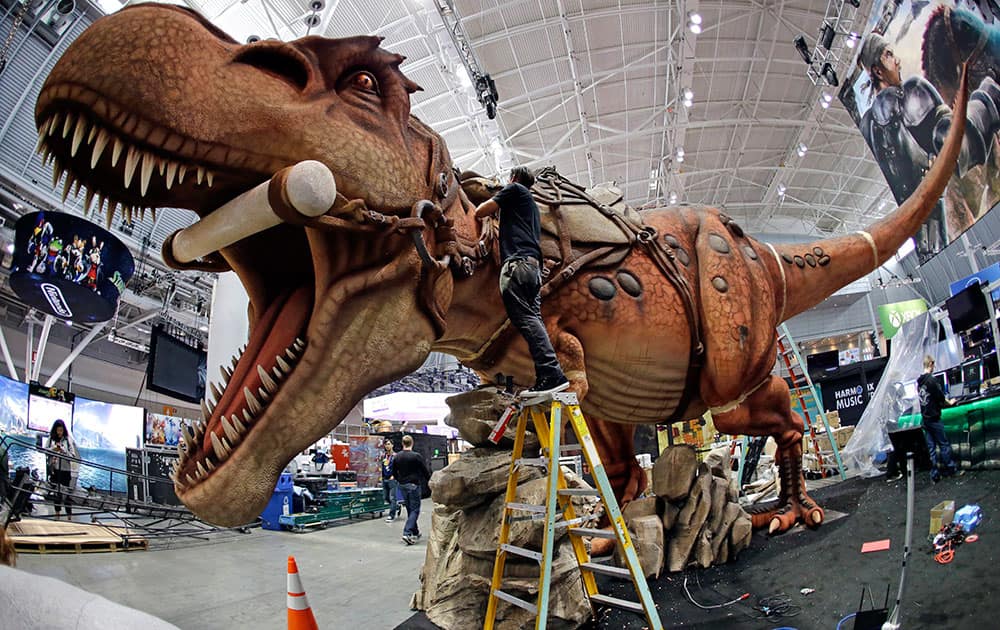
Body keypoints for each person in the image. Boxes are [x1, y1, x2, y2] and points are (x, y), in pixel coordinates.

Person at [856, 28, 1000, 260]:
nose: (898, 61)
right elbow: (958, 143)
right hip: (939, 225)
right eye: (889, 55)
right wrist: (989, 95)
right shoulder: (909, 95)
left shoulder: (867, 124)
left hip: (924, 244)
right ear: (877, 70)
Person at [475, 166, 569, 396]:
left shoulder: (514, 189)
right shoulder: (531, 207)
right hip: (532, 268)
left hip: (518, 265)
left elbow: (481, 211)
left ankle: (552, 374)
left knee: (526, 318)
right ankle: (547, 376)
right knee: (533, 319)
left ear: (514, 178)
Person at [917, 356, 964, 482]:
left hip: (925, 419)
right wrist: (951, 402)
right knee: (944, 445)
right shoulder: (931, 381)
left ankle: (934, 475)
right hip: (934, 417)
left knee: (931, 449)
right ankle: (951, 469)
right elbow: (941, 399)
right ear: (931, 364)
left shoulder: (919, 382)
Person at [394, 435, 430, 545]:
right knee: (415, 510)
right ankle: (407, 532)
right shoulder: (416, 456)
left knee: (410, 509)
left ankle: (415, 531)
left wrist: (399, 480)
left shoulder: (397, 456)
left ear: (402, 443)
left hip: (403, 485)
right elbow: (424, 471)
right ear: (412, 443)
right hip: (414, 485)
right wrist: (430, 481)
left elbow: (394, 472)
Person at [45, 419, 79, 520]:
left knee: (66, 494)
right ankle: (57, 514)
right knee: (57, 493)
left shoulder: (68, 440)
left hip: (65, 470)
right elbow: (45, 450)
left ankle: (69, 516)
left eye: (61, 430)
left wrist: (63, 451)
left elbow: (72, 456)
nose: (59, 432)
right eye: (58, 430)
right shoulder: (51, 439)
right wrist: (53, 449)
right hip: (54, 469)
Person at [380, 439, 399, 523]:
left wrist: (394, 476)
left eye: (389, 444)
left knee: (392, 498)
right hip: (384, 478)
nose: (387, 446)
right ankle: (397, 506)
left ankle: (391, 515)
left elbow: (399, 468)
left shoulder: (395, 456)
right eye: (386, 444)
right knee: (386, 497)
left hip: (392, 479)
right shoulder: (383, 456)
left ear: (392, 445)